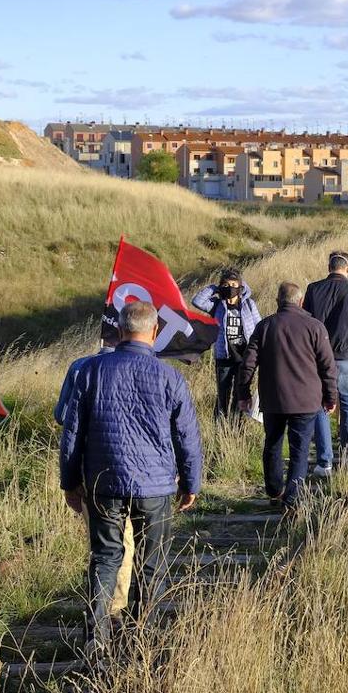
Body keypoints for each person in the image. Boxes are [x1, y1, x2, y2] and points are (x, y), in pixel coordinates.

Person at [59, 301, 202, 649]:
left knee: (105, 558)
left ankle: (96, 636)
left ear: (120, 330)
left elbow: (72, 432)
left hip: (103, 481)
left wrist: (70, 481)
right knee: (150, 561)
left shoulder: (90, 371)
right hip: (155, 485)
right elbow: (186, 435)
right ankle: (142, 633)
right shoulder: (170, 376)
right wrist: (191, 481)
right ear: (153, 332)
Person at [236, 282, 337, 509]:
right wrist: (330, 396)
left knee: (272, 443)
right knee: (300, 449)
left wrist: (243, 394)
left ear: (277, 301)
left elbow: (248, 364)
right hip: (306, 400)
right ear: (301, 302)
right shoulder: (315, 327)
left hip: (273, 400)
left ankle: (274, 490)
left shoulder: (264, 327)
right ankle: (292, 499)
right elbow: (328, 366)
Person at [55, 346, 133, 625]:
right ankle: (116, 608)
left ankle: (105, 607)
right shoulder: (142, 364)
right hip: (136, 470)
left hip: (92, 470)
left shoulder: (80, 366)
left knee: (101, 545)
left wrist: (70, 478)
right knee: (126, 541)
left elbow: (62, 416)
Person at [303, 252, 348, 469]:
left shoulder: (313, 289)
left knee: (321, 405)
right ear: (347, 269)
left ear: (329, 266)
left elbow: (306, 322)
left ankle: (325, 459)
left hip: (319, 356)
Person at [191, 268, 262, 420]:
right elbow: (197, 301)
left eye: (234, 284)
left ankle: (235, 428)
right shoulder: (217, 306)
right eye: (226, 285)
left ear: (240, 287)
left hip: (244, 358)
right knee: (222, 395)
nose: (230, 288)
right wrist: (215, 288)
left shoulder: (249, 304)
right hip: (224, 358)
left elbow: (259, 327)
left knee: (239, 396)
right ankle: (220, 427)